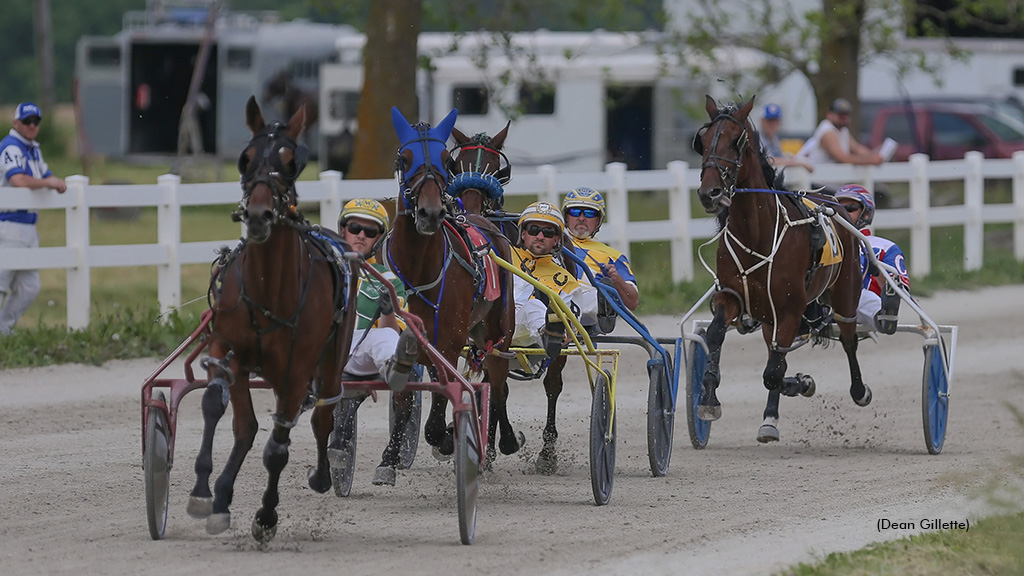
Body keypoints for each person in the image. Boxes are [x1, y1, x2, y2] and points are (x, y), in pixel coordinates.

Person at [334, 198, 418, 391]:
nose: (361, 235)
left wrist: (387, 311)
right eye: (355, 228)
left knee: (386, 335)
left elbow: (393, 334)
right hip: (323, 350)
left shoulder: (389, 280)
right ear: (343, 230)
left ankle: (393, 370)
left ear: (378, 238)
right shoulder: (324, 267)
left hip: (360, 354)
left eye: (370, 232)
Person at [0, 102, 67, 336]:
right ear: (15, 123)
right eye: (27, 121)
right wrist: (49, 183)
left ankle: (4, 330)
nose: (31, 126)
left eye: (35, 122)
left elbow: (46, 175)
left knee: (29, 286)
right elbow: (18, 180)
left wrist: (56, 181)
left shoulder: (33, 149)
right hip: (9, 224)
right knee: (1, 282)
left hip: (28, 226)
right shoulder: (10, 147)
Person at [510, 201, 599, 358]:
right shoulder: (501, 255)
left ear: (557, 239)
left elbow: (570, 331)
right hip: (489, 321)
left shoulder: (566, 281)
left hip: (520, 331)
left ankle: (548, 335)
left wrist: (562, 330)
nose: (540, 236)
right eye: (534, 230)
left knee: (534, 306)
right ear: (523, 233)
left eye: (548, 233)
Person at [834, 184, 909, 335]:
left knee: (856, 294)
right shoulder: (821, 243)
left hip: (858, 305)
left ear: (866, 214)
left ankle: (884, 317)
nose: (842, 213)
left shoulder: (884, 247)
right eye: (838, 209)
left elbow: (902, 292)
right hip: (821, 301)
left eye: (850, 208)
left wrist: (877, 270)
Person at [561, 187, 639, 311]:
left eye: (589, 213)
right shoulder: (551, 243)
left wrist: (617, 280)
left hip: (586, 306)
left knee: (591, 294)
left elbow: (633, 302)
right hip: (552, 298)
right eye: (575, 212)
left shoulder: (613, 256)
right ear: (566, 217)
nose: (581, 218)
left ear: (598, 220)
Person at [795, 98, 883, 167]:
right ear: (829, 115)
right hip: (818, 183)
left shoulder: (842, 130)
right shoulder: (827, 132)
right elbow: (842, 158)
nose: (843, 118)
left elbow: (856, 148)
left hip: (830, 182)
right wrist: (870, 160)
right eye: (840, 115)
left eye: (846, 115)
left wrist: (874, 156)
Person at [758, 104, 814, 172]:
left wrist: (790, 159)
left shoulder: (774, 138)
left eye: (775, 121)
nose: (772, 124)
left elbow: (778, 157)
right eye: (769, 121)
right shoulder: (757, 138)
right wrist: (798, 163)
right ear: (762, 121)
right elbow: (767, 160)